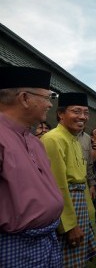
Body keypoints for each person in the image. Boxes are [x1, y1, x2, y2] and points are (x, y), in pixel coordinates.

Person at [0, 66, 64, 267]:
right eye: (47, 97)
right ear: (25, 98)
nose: (49, 104)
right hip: (15, 245)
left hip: (45, 241)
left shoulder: (35, 141)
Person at [41, 92, 96, 267]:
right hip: (67, 208)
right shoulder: (53, 139)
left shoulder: (74, 138)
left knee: (78, 260)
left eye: (86, 112)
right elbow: (57, 185)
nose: (82, 117)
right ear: (60, 114)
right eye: (76, 111)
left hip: (80, 203)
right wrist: (69, 225)